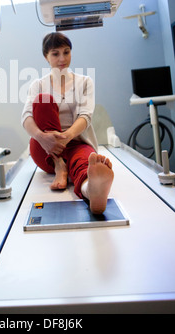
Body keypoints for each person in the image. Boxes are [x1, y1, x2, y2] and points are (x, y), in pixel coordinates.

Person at [21, 32, 114, 214]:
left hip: (76, 142)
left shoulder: (85, 82)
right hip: (45, 148)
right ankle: (58, 165)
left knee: (86, 165)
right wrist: (43, 137)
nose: (62, 58)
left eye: (66, 52)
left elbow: (85, 116)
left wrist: (65, 137)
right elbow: (26, 118)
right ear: (46, 57)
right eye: (55, 54)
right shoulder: (38, 85)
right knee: (43, 100)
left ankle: (92, 190)